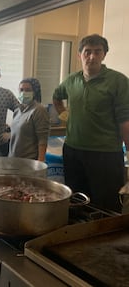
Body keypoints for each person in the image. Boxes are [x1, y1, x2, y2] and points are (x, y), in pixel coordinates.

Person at [53, 34, 129, 212]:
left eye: (97, 52)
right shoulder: (72, 80)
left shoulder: (118, 81)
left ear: (104, 55)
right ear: (80, 55)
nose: (92, 57)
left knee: (106, 203)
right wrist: (65, 116)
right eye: (87, 52)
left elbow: (125, 119)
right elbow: (57, 96)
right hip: (73, 150)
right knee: (76, 200)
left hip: (104, 153)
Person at [9, 78, 50, 161]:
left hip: (29, 162)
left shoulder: (39, 110)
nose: (23, 92)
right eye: (21, 90)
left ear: (34, 92)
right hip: (13, 161)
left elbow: (42, 140)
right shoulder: (17, 111)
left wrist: (40, 163)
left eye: (27, 90)